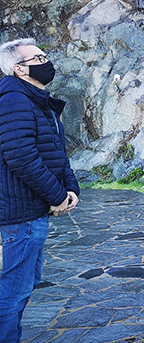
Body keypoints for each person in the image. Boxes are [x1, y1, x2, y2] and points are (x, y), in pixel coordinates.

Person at [0, 38, 80, 342]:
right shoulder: (14, 100)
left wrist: (70, 187)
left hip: (34, 212)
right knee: (14, 291)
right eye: (38, 58)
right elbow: (21, 157)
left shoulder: (36, 100)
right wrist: (57, 196)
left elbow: (55, 152)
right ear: (19, 69)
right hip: (21, 214)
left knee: (26, 282)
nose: (47, 62)